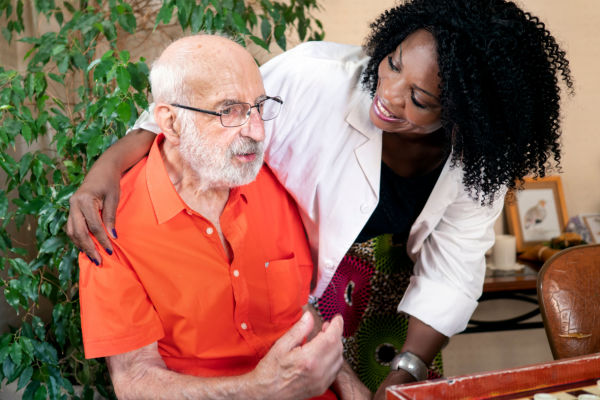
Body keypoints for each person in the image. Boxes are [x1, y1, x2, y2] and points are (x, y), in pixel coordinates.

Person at [68, 0, 572, 398]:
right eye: (393, 64)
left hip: (397, 292)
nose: (389, 93)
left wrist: (408, 367)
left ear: (466, 116)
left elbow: (453, 269)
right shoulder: (316, 79)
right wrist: (106, 168)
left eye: (419, 99)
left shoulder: (479, 160)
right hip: (292, 261)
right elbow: (199, 112)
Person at [77, 34, 352, 400]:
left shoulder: (271, 179)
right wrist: (259, 390)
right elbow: (134, 381)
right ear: (171, 124)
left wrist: (355, 391)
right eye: (230, 111)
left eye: (259, 106)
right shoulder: (110, 225)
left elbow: (300, 315)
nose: (256, 131)